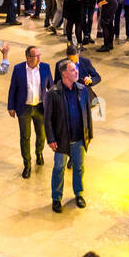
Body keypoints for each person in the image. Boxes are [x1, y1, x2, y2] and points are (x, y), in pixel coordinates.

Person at [45, 59, 94, 212]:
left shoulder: (82, 89)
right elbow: (47, 119)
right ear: (64, 74)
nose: (77, 72)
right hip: (61, 139)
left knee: (79, 167)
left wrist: (89, 133)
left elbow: (87, 114)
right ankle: (56, 198)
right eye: (73, 70)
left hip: (79, 137)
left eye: (76, 69)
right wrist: (51, 139)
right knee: (59, 168)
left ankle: (78, 194)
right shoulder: (54, 93)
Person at [7, 45, 52, 178]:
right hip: (24, 108)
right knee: (25, 137)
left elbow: (52, 87)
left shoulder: (45, 67)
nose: (39, 58)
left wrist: (54, 105)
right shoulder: (18, 69)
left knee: (41, 134)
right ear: (28, 57)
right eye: (36, 56)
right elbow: (13, 89)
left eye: (39, 55)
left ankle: (39, 152)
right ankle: (27, 164)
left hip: (40, 107)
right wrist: (11, 106)